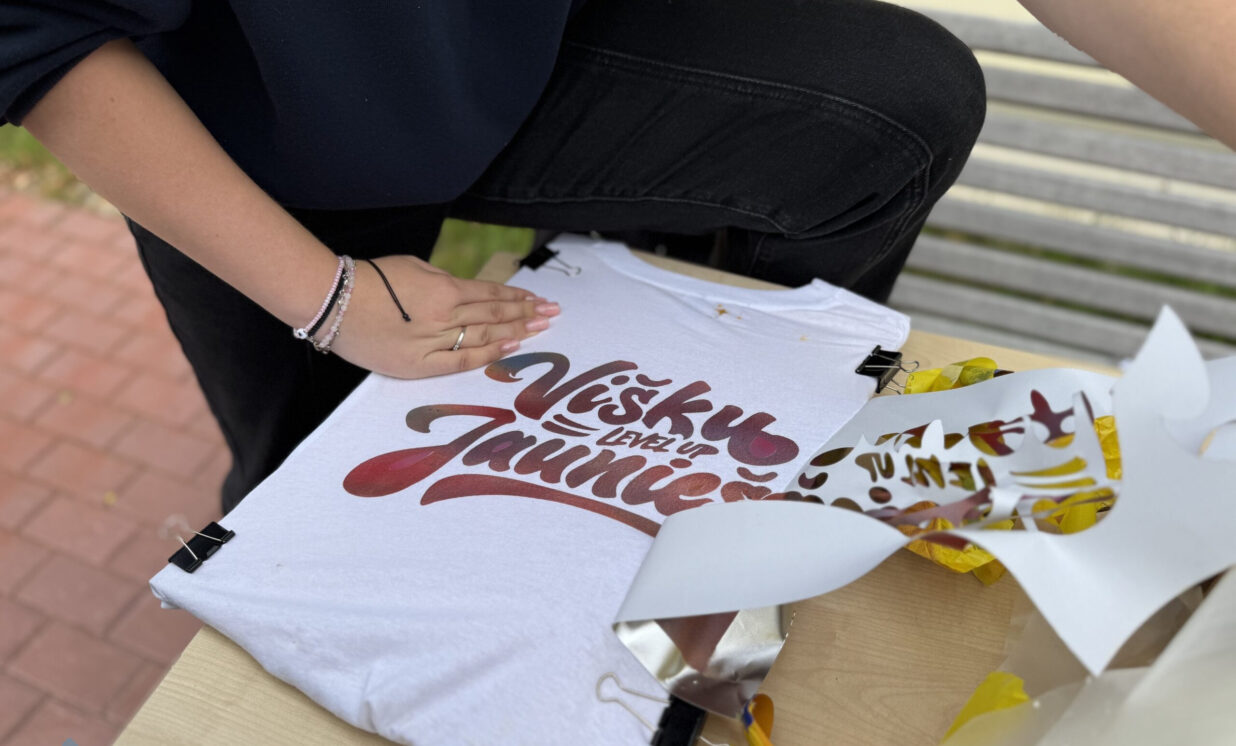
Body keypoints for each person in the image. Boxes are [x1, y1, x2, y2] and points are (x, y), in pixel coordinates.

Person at [2, 0, 1231, 514]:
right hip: (255, 134)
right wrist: (326, 299)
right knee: (304, 491)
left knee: (897, 102)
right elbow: (35, 34)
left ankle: (665, 493)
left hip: (526, 51)